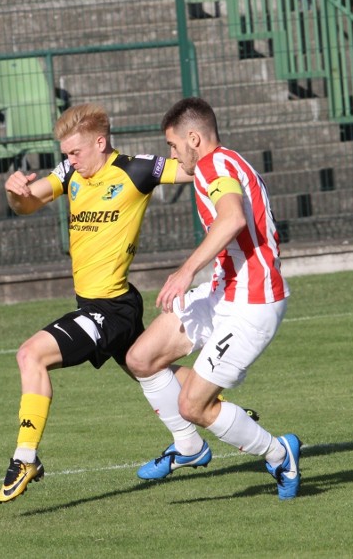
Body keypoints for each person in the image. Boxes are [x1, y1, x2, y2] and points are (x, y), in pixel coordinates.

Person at [0, 103, 194, 503]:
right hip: (107, 304)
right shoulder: (69, 172)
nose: (69, 160)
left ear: (100, 142)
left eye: (75, 152)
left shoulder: (136, 170)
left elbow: (195, 169)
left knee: (30, 355)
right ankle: (228, 421)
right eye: (66, 153)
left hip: (109, 310)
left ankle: (25, 457)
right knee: (152, 370)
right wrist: (14, 191)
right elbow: (28, 202)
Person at [125, 97, 301, 500]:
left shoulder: (214, 166)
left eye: (173, 146)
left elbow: (232, 218)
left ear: (193, 138)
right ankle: (188, 447)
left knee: (193, 406)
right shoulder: (223, 162)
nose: (172, 154)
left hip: (253, 304)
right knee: (141, 359)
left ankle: (279, 453)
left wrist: (185, 271)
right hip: (224, 291)